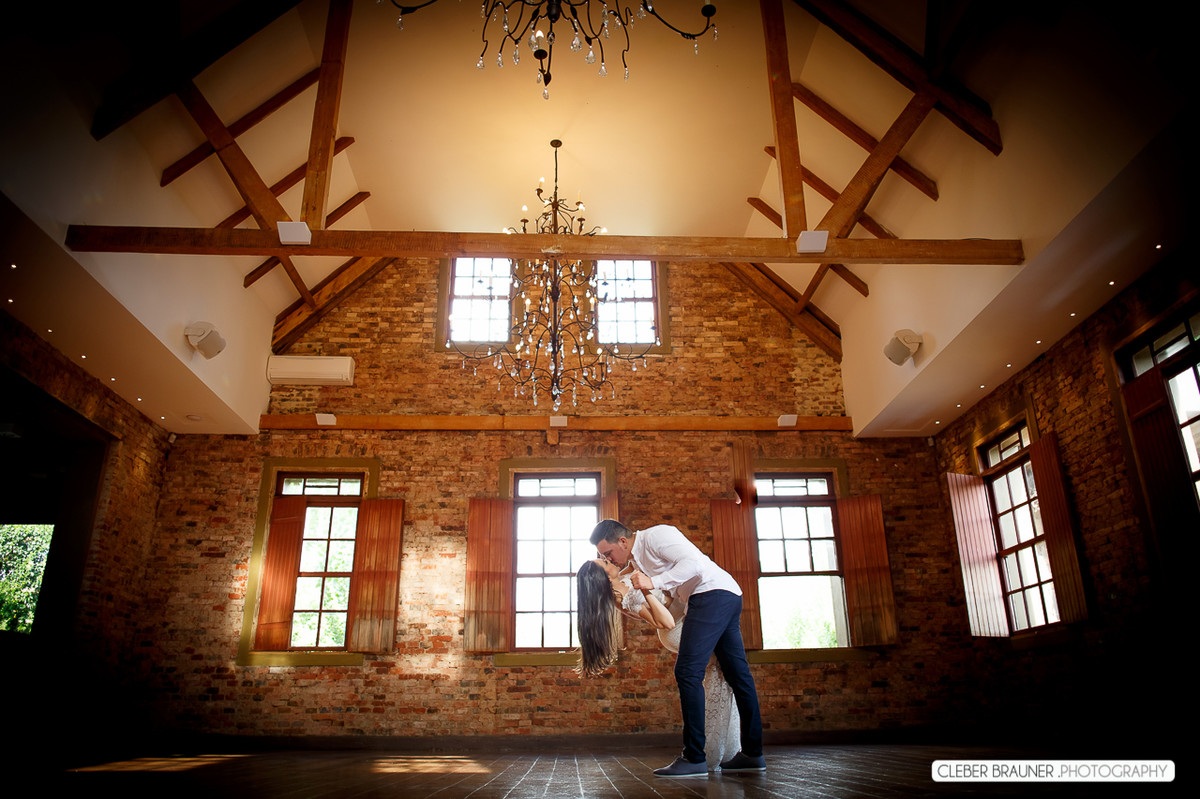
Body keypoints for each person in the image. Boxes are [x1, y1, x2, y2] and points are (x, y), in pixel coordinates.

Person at [590, 519, 765, 778]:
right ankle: (753, 754)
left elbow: (693, 564)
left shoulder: (657, 536)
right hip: (723, 595)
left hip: (710, 593)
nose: (609, 558)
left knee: (687, 673)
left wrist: (654, 582)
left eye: (608, 553)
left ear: (623, 542)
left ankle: (694, 758)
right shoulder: (636, 562)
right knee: (738, 676)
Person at [576, 557, 742, 771]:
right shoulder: (623, 596)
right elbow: (666, 622)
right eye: (605, 563)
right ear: (605, 577)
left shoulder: (623, 579)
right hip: (676, 630)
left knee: (722, 672)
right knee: (722, 671)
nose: (608, 560)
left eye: (605, 557)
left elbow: (632, 560)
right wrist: (646, 590)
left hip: (683, 623)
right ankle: (713, 751)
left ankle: (722, 748)